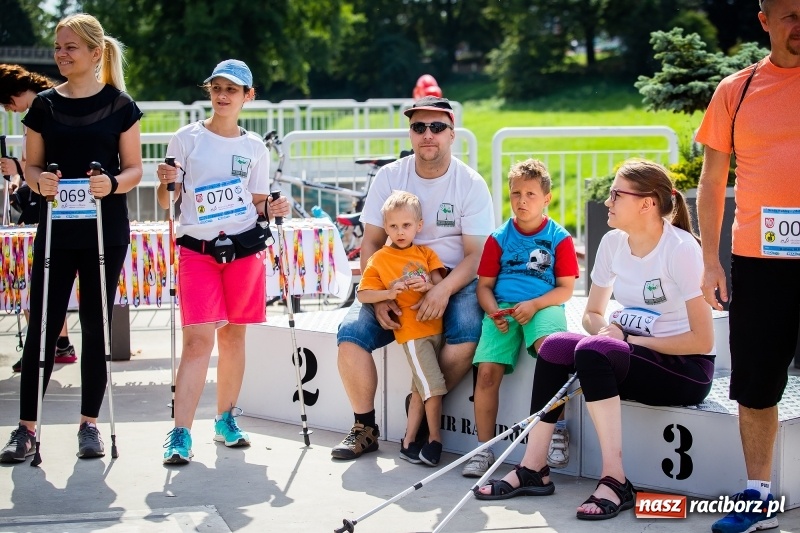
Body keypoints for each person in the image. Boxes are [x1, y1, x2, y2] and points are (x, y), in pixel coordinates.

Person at [475, 159, 715, 521]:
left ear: (647, 203)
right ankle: (533, 468)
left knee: (592, 350)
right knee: (556, 345)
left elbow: (701, 340)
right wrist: (609, 331)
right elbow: (591, 314)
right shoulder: (613, 242)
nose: (608, 201)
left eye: (617, 194)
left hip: (684, 369)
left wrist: (628, 341)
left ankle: (616, 480)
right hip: (629, 355)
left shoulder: (680, 249)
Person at [0, 13, 142, 463]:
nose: (61, 55)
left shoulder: (121, 105)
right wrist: (39, 181)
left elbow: (134, 167)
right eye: (58, 47)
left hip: (105, 230)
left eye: (70, 48)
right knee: (42, 325)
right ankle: (25, 430)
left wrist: (113, 184)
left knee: (97, 327)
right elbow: (33, 165)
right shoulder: (43, 105)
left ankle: (90, 425)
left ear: (96, 53)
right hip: (57, 229)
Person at [331, 96, 494, 460]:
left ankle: (418, 408)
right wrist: (381, 293)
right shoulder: (390, 176)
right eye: (419, 127)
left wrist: (443, 290)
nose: (427, 135)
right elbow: (372, 242)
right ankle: (364, 427)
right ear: (411, 134)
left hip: (453, 277)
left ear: (452, 134)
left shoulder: (469, 182)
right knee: (351, 336)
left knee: (468, 334)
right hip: (393, 279)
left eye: (437, 127)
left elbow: (477, 255)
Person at [695, 1, 800, 532]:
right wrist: (709, 260)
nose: (799, 24)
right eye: (789, 15)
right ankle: (757, 496)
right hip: (760, 262)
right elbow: (712, 182)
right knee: (757, 385)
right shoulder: (735, 91)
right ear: (765, 21)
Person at [156, 59, 289, 465]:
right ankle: (180, 432)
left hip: (244, 251)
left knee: (234, 337)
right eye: (217, 87)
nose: (222, 95)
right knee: (199, 339)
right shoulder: (186, 138)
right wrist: (165, 184)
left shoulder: (254, 148)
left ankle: (225, 419)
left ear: (248, 96)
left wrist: (276, 207)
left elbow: (258, 203)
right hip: (198, 250)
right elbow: (167, 202)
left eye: (232, 89)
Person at [463, 158, 579, 478]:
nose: (522, 200)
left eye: (530, 194)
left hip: (543, 305)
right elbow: (484, 287)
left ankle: (556, 430)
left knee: (552, 351)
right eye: (516, 193)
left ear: (546, 199)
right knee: (486, 373)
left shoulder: (560, 238)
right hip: (503, 309)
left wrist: (535, 304)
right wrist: (492, 312)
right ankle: (483, 448)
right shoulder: (498, 238)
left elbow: (566, 290)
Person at [357, 191, 448, 466]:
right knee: (433, 388)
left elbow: (437, 284)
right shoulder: (380, 259)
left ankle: (408, 442)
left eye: (406, 225)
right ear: (385, 227)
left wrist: (429, 287)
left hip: (436, 329)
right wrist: (388, 293)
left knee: (421, 389)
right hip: (413, 334)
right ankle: (434, 440)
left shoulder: (426, 253)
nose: (400, 231)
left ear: (418, 226)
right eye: (393, 226)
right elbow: (363, 294)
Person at [1, 64, 78, 372]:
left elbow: (49, 163)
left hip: (48, 203)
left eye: (7, 102)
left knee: (36, 280)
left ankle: (44, 346)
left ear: (17, 92)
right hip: (40, 199)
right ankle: (58, 342)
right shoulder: (46, 105)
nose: (9, 109)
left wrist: (19, 170)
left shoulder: (44, 108)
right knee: (39, 280)